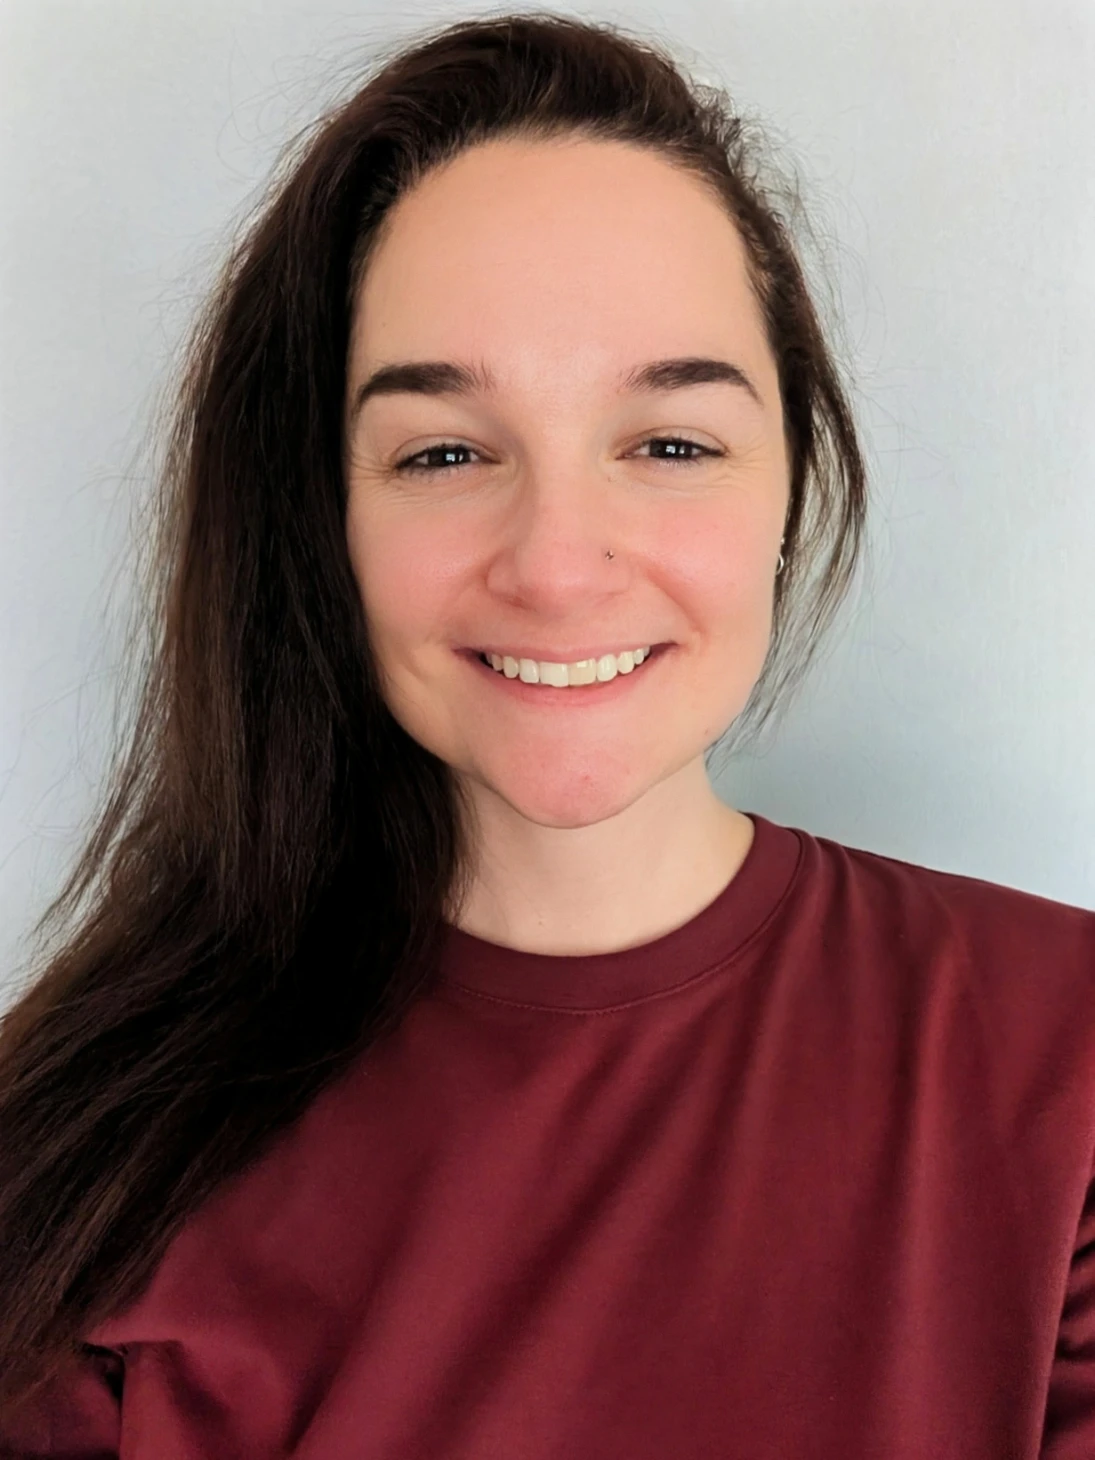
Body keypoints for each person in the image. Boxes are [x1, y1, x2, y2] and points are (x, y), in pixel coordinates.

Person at [0, 11, 1092, 1458]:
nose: (559, 566)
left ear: (792, 485)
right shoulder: (78, 1153)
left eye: (671, 444)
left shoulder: (1066, 1064)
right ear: (324, 519)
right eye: (445, 451)